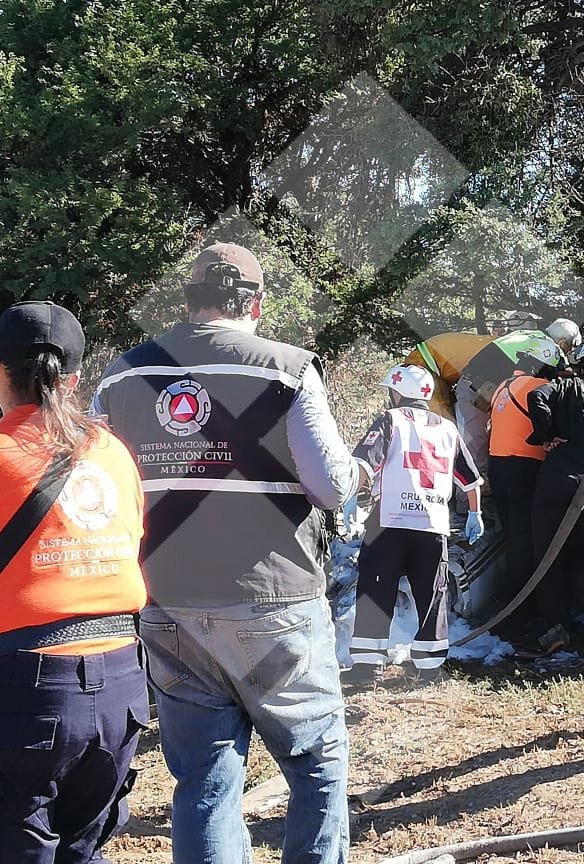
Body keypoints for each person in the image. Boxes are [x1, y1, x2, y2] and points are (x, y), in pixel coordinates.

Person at [92, 243, 361, 864]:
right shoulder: (287, 368)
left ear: (187, 302)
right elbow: (331, 485)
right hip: (275, 599)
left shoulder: (123, 375)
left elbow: (97, 482)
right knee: (317, 765)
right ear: (257, 306)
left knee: (205, 781)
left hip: (166, 599)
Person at [0, 301, 149, 862]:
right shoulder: (111, 451)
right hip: (121, 683)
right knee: (83, 850)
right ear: (76, 378)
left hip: (25, 688)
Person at [347, 364, 483, 679]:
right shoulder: (447, 428)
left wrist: (354, 497)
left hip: (389, 522)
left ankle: (368, 666)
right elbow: (470, 480)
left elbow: (365, 462)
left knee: (376, 590)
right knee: (432, 595)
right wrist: (474, 514)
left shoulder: (390, 420)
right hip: (432, 525)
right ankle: (430, 666)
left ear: (397, 393)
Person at [523, 337, 584, 653]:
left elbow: (536, 396)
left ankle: (553, 626)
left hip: (557, 479)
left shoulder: (565, 386)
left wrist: (545, 435)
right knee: (578, 549)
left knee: (547, 553)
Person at [485, 337, 563, 638]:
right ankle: (519, 611)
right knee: (526, 542)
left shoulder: (504, 386)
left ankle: (509, 604)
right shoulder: (537, 388)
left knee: (512, 538)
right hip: (524, 468)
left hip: (500, 467)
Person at [454, 329, 562, 481]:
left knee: (481, 443)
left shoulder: (531, 335)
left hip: (476, 385)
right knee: (475, 446)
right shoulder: (547, 347)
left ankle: (479, 490)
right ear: (562, 342)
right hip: (477, 391)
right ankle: (469, 498)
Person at [402, 331, 493, 420]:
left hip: (428, 360)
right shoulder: (500, 355)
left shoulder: (495, 344)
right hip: (425, 365)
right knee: (441, 421)